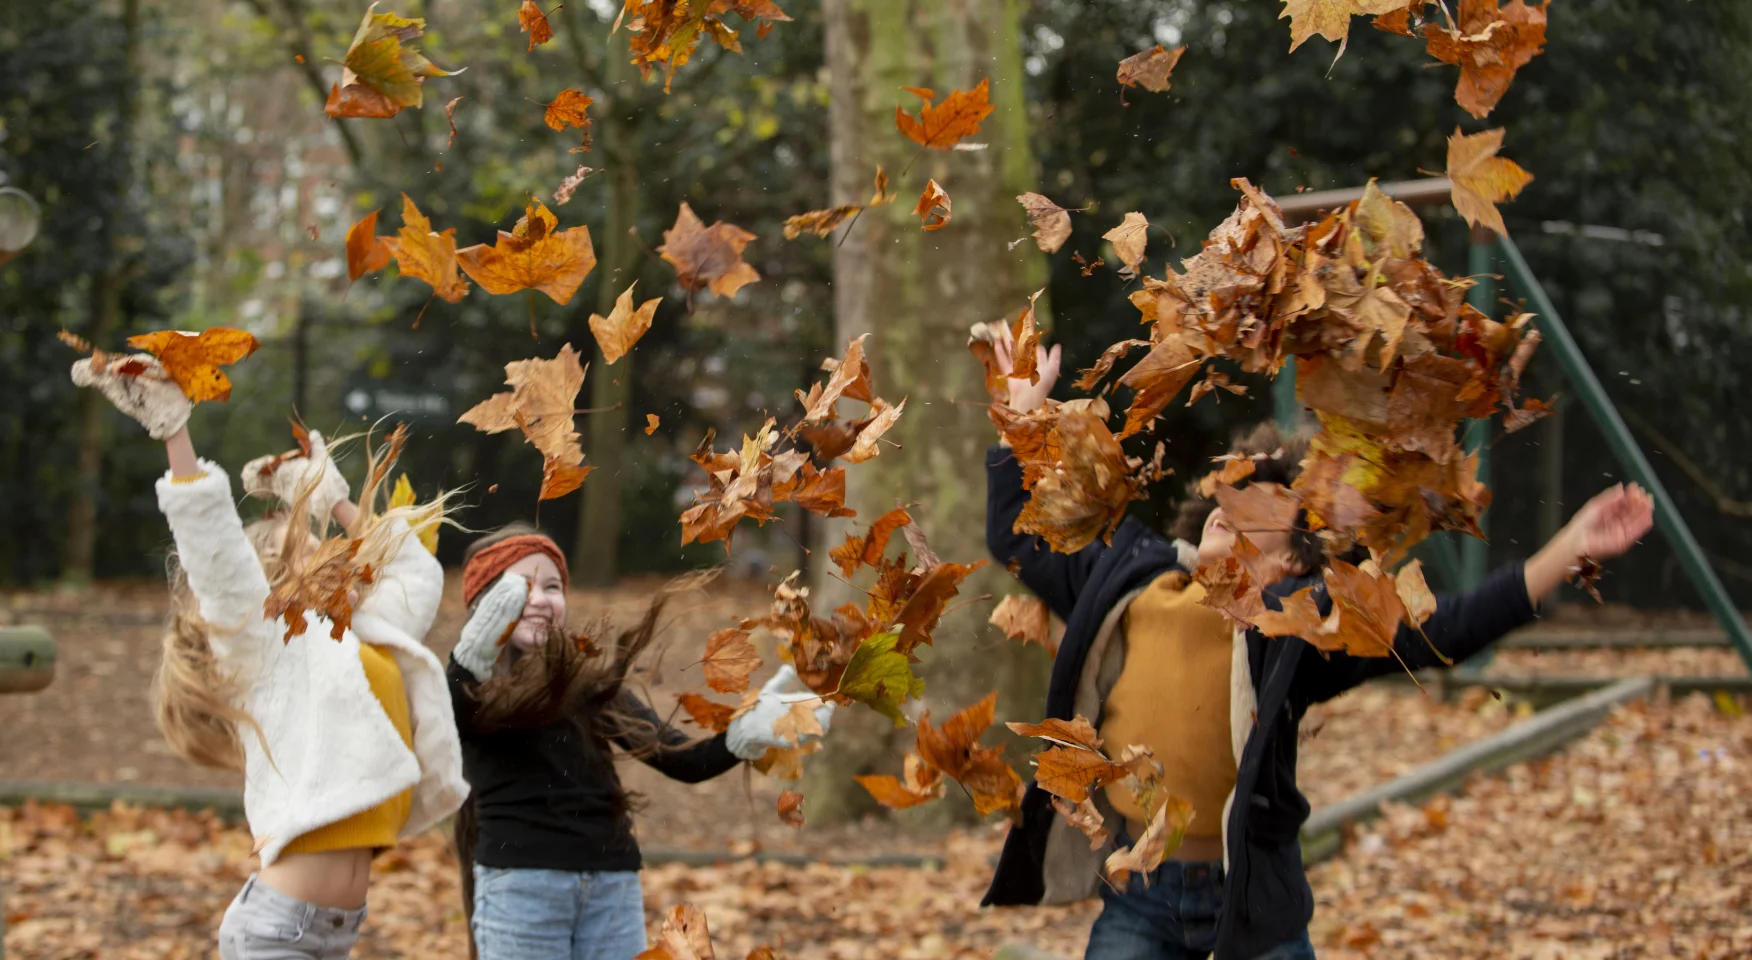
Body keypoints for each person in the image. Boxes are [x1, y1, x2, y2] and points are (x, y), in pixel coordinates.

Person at [978, 342, 1656, 960]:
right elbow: (1019, 539)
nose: (1232, 503)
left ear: (1294, 560)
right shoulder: (1133, 575)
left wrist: (1567, 549)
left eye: (1261, 507)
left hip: (1255, 901)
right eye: (1232, 492)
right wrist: (1020, 415)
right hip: (1140, 895)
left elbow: (1444, 629)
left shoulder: (1300, 627)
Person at [71, 353, 470, 959]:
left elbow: (414, 568)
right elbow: (216, 558)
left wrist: (331, 496)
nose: (335, 554)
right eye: (317, 547)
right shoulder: (270, 648)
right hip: (279, 933)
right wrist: (174, 434)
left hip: (331, 931)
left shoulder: (359, 635)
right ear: (279, 580)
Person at [447, 524, 831, 960]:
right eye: (517, 588)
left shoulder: (590, 687)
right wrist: (470, 659)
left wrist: (744, 734)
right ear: (482, 607)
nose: (537, 599)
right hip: (521, 888)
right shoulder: (472, 693)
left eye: (551, 587)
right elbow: (456, 704)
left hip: (611, 889)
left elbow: (682, 760)